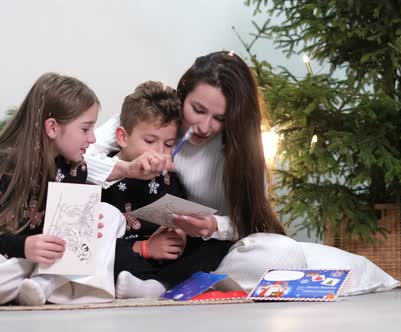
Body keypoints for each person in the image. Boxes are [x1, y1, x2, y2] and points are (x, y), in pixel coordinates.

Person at [85, 51, 287, 297]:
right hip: (140, 237)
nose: (204, 126)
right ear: (183, 94)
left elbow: (251, 221)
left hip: (202, 244)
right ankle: (180, 284)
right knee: (100, 240)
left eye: (220, 118)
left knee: (279, 253)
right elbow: (78, 157)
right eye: (198, 109)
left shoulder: (242, 151)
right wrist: (126, 168)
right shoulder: (154, 116)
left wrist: (213, 226)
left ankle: (167, 285)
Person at [0, 73, 126, 307]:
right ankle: (44, 284)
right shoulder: (0, 164)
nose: (92, 138)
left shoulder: (75, 169)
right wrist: (23, 247)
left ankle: (42, 284)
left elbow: (69, 237)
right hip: (8, 257)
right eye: (86, 129)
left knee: (109, 214)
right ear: (52, 127)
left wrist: (83, 231)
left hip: (50, 262)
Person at [99, 81, 233, 298]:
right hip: (127, 256)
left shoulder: (169, 178)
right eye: (150, 140)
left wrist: (180, 234)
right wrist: (144, 248)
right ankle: (148, 285)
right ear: (123, 137)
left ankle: (159, 286)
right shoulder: (106, 173)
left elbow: (182, 215)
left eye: (169, 144)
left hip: (165, 263)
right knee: (97, 252)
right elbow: (96, 240)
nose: (160, 152)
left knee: (215, 245)